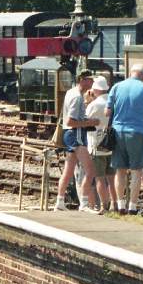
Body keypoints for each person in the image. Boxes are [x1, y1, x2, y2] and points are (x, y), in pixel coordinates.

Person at [104, 64, 143, 214]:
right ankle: (132, 206)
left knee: (120, 171)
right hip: (138, 132)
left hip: (117, 132)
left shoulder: (116, 87)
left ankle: (120, 205)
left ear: (131, 73)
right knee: (137, 171)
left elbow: (107, 112)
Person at [55, 71, 99, 212]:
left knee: (68, 171)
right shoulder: (77, 97)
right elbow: (71, 121)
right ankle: (84, 204)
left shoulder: (70, 92)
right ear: (82, 80)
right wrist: (90, 122)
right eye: (89, 80)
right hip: (76, 134)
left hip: (70, 134)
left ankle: (60, 201)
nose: (92, 83)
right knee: (90, 170)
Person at [83, 77, 115, 213]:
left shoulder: (94, 105)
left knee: (100, 178)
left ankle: (104, 205)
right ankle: (116, 203)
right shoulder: (112, 102)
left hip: (96, 145)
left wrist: (87, 101)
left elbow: (83, 121)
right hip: (111, 144)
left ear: (95, 89)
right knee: (112, 179)